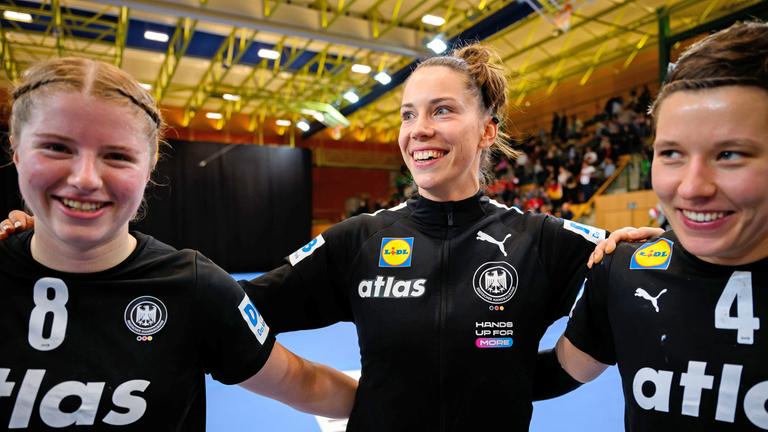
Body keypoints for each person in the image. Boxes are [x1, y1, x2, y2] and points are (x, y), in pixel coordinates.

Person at [0, 49, 659, 431]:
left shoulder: (546, 239)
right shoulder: (355, 239)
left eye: (442, 111)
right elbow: (233, 305)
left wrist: (642, 246)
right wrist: (77, 243)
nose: (418, 129)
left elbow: (638, 284)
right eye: (407, 114)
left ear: (488, 130)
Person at [0, 57, 356, 430]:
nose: (85, 178)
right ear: (17, 149)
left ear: (150, 164)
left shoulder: (194, 287)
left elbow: (303, 382)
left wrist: (408, 408)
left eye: (117, 156)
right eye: (57, 147)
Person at [540, 21, 768, 430]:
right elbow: (556, 371)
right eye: (672, 153)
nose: (692, 187)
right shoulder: (624, 269)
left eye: (730, 154)